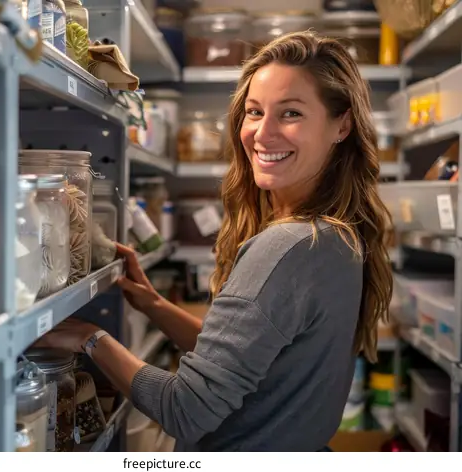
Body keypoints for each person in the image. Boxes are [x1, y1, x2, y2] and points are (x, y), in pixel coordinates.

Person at [35, 31, 393, 451]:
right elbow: (247, 359)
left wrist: (90, 337)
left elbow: (185, 410)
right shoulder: (338, 235)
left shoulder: (288, 248)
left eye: (291, 113)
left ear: (342, 125)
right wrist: (153, 304)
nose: (263, 133)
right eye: (255, 112)